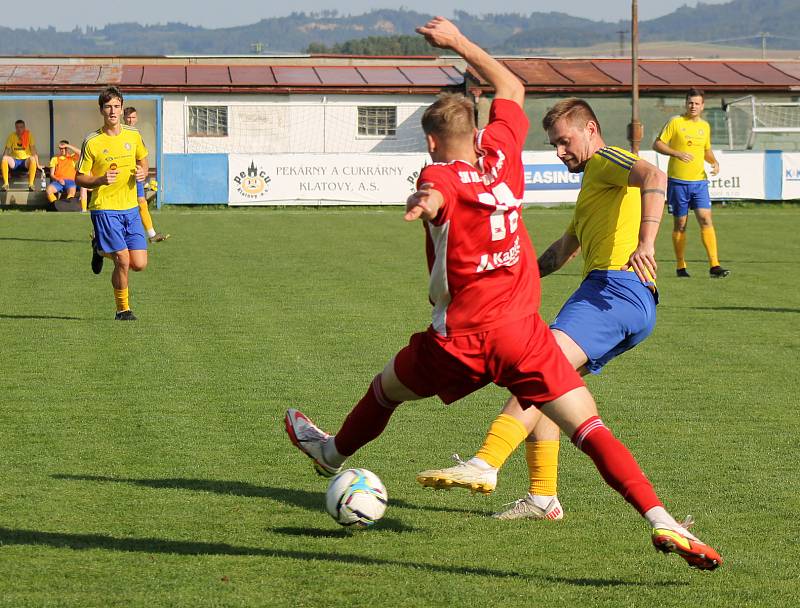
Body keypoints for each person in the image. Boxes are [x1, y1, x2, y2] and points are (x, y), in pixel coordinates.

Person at [284, 17, 722, 571]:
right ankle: (661, 519)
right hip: (523, 335)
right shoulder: (504, 160)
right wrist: (459, 42)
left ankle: (334, 453)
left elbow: (440, 191)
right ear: (482, 131)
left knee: (386, 391)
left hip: (460, 342)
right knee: (588, 427)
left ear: (430, 141)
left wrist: (426, 203)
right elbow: (511, 87)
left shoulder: (439, 176)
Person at [416, 99, 663, 523]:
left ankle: (486, 461)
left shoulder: (606, 159)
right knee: (551, 391)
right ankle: (542, 497)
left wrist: (646, 243)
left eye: (565, 141)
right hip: (617, 297)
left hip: (614, 290)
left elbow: (654, 175)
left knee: (535, 371)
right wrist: (494, 277)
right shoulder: (593, 189)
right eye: (553, 145)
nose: (559, 152)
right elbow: (556, 255)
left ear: (590, 128)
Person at [76, 86, 149, 321]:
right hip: (105, 208)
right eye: (108, 107)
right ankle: (123, 310)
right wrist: (99, 179)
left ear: (121, 108)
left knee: (139, 263)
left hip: (130, 208)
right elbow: (79, 177)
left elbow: (143, 160)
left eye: (116, 106)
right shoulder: (92, 141)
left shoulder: (133, 135)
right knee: (123, 260)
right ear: (101, 110)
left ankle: (99, 249)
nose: (113, 111)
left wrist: (143, 172)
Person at [653, 89, 729, 278]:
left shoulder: (705, 126)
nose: (693, 106)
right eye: (690, 103)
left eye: (697, 103)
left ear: (702, 106)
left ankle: (714, 266)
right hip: (678, 182)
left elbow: (706, 150)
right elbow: (658, 144)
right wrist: (676, 153)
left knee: (705, 219)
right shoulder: (675, 122)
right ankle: (681, 266)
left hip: (699, 182)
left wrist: (714, 162)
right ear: (685, 104)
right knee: (681, 224)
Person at [123, 106, 169, 243]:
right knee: (115, 205)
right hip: (121, 176)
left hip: (135, 175)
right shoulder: (118, 133)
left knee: (141, 202)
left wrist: (144, 171)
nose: (131, 120)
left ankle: (151, 234)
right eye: (128, 117)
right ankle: (98, 232)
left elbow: (143, 156)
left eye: (133, 117)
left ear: (136, 119)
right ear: (123, 118)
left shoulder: (136, 135)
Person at [2, 119, 39, 191]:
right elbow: (6, 150)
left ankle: (31, 184)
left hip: (25, 162)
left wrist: (38, 164)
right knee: (4, 158)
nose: (19, 129)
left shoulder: (29, 135)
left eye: (21, 127)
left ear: (24, 127)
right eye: (17, 127)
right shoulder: (12, 136)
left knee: (32, 158)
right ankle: (6, 184)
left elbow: (33, 151)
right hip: (15, 161)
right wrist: (2, 165)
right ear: (15, 128)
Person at [46, 140, 81, 204]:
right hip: (58, 181)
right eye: (61, 148)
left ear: (67, 148)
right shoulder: (55, 159)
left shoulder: (72, 157)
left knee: (72, 192)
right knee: (48, 190)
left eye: (64, 148)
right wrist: (58, 179)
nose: (62, 150)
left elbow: (81, 153)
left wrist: (68, 145)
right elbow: (52, 174)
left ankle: (67, 206)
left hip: (71, 181)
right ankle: (56, 205)